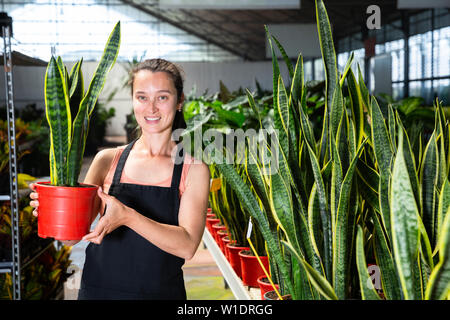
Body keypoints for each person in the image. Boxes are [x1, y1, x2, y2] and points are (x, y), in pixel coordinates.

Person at [29, 58, 210, 300]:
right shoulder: (107, 159)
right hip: (98, 291)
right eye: (142, 97)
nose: (151, 108)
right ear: (133, 100)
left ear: (179, 101)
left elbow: (187, 246)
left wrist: (127, 216)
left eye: (162, 97)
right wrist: (54, 208)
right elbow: (72, 238)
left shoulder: (193, 168)